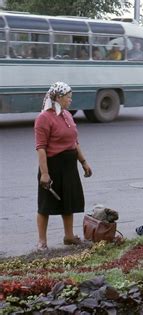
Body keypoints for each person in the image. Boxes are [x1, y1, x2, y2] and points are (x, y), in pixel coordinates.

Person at [34, 82, 92, 251]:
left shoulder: (67, 115)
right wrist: (45, 174)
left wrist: (83, 162)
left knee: (68, 202)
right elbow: (41, 148)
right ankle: (42, 241)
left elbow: (74, 142)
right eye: (68, 97)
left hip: (69, 166)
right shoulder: (43, 118)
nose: (70, 100)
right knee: (45, 205)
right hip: (52, 166)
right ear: (58, 98)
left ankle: (69, 236)